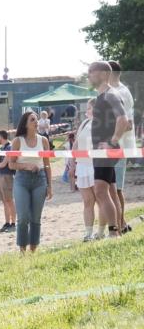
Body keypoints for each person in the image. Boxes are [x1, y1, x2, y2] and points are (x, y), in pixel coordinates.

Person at [88, 61, 131, 238]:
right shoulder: (101, 97)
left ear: (105, 74)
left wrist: (112, 142)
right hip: (100, 152)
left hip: (106, 152)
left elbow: (123, 120)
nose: (89, 75)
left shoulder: (111, 95)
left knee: (100, 191)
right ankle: (117, 230)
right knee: (111, 191)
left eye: (92, 72)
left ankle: (113, 232)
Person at [9, 110, 53, 253]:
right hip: (21, 179)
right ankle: (22, 250)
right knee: (23, 217)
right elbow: (11, 164)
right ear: (26, 124)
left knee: (36, 217)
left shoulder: (44, 140)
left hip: (40, 180)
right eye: (32, 120)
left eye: (36, 119)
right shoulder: (17, 141)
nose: (36, 122)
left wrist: (50, 186)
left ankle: (33, 250)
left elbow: (47, 164)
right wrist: (26, 166)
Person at [109, 60, 136, 233]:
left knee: (116, 188)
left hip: (118, 146)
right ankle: (122, 223)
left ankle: (120, 225)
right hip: (113, 146)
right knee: (112, 187)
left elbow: (128, 123)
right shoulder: (115, 91)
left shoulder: (121, 92)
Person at [73, 100, 100, 241]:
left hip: (96, 165)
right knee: (88, 201)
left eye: (90, 108)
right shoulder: (84, 123)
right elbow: (76, 144)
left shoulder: (101, 124)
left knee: (101, 199)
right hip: (82, 166)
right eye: (88, 108)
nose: (87, 110)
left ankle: (102, 231)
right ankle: (88, 233)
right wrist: (72, 164)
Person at [0, 130, 16, 232]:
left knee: (9, 200)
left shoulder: (9, 147)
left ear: (1, 136)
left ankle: (13, 223)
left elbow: (4, 164)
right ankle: (7, 223)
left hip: (8, 176)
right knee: (4, 201)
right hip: (1, 176)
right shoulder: (1, 148)